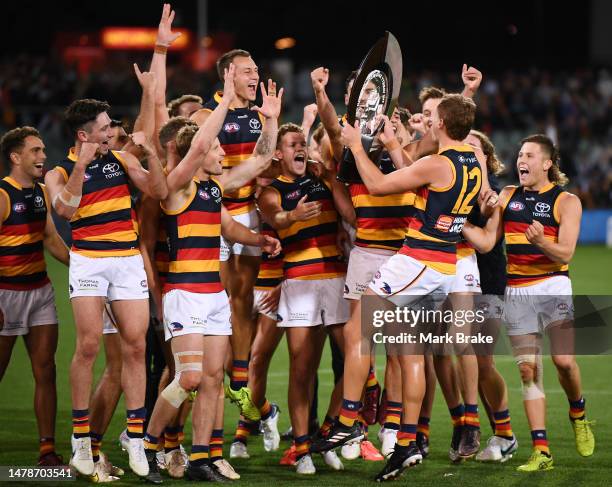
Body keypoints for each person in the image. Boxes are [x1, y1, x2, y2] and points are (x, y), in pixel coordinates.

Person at [312, 94, 482, 483]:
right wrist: (391, 145)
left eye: (432, 117)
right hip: (442, 265)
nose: (428, 121)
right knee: (409, 353)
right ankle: (407, 443)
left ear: (440, 124)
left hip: (418, 259)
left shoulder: (438, 163)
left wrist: (356, 144)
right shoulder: (470, 159)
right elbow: (420, 175)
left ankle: (350, 417)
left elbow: (379, 183)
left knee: (358, 328)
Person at [142, 65, 282, 483]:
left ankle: (202, 456)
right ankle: (148, 447)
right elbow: (202, 139)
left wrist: (271, 121)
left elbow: (259, 160)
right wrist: (223, 99)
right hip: (183, 292)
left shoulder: (211, 190)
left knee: (212, 379)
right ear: (199, 153)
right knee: (186, 376)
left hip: (213, 294)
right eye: (218, 150)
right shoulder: (177, 185)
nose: (223, 154)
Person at [44, 71, 168, 476]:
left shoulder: (121, 157)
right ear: (84, 136)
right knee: (88, 347)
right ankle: (81, 440)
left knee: (135, 346)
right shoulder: (59, 172)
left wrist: (149, 153)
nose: (111, 131)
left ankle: (134, 437)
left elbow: (158, 191)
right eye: (104, 127)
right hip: (90, 260)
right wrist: (81, 166)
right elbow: (64, 210)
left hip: (127, 259)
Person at [463, 134, 595, 472]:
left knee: (564, 361)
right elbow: (488, 242)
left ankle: (578, 413)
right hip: (517, 290)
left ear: (547, 163)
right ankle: (542, 450)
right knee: (527, 371)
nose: (522, 160)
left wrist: (542, 243)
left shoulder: (567, 201)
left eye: (530, 155)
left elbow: (565, 253)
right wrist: (461, 223)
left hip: (553, 285)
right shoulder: (507, 196)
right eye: (520, 154)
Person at [258, 122, 355, 475]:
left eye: (303, 142)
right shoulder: (272, 191)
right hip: (299, 282)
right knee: (302, 369)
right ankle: (302, 449)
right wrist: (292, 216)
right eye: (292, 143)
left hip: (336, 278)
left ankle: (326, 434)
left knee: (358, 362)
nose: (300, 147)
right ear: (279, 154)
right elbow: (276, 218)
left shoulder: (324, 179)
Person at [192, 49, 268, 420]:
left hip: (249, 211)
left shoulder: (258, 115)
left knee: (244, 300)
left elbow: (264, 160)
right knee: (217, 303)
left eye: (257, 70)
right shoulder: (205, 116)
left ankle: (238, 378)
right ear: (228, 76)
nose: (255, 76)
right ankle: (214, 377)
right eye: (248, 71)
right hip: (214, 214)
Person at [0, 127, 69, 467]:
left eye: (43, 149)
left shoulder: (42, 192)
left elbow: (51, 238)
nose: (43, 156)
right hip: (5, 295)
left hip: (39, 291)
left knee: (46, 369)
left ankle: (46, 449)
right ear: (16, 157)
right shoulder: (2, 195)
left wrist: (81, 264)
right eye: (35, 151)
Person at [463, 130, 518, 464]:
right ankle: (492, 430)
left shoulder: (492, 196)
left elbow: (486, 243)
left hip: (488, 283)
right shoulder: (452, 186)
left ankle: (505, 434)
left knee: (483, 361)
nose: (467, 151)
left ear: (486, 156)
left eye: (474, 147)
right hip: (457, 282)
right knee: (470, 363)